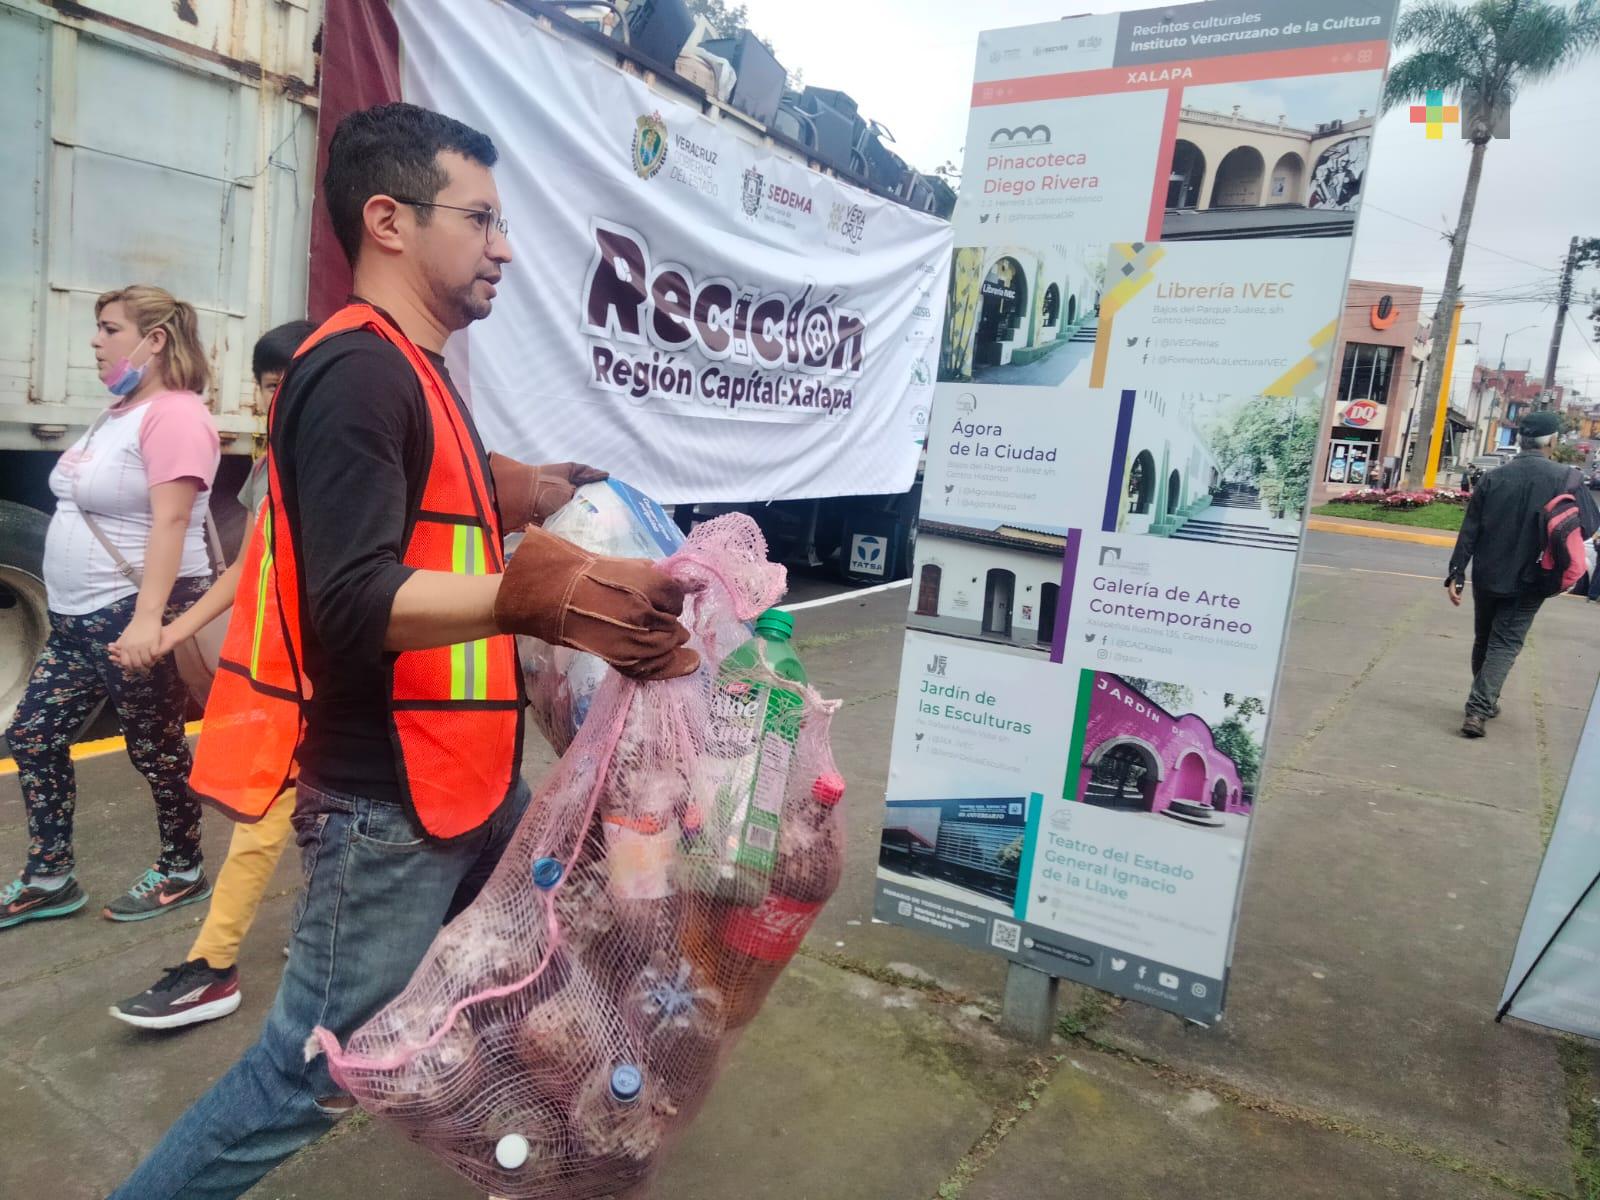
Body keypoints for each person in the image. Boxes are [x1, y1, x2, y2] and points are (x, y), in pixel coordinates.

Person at [110, 102, 696, 1199]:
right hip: (392, 810)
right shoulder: (355, 372)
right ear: (388, 220)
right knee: (307, 1075)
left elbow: (435, 488)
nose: (505, 246)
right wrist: (544, 597)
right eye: (480, 220)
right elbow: (349, 599)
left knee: (549, 969)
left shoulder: (418, 372)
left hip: (468, 788)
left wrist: (527, 489)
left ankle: (543, 1156)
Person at [108, 319, 312, 1029]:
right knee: (291, 815)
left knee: (287, 819)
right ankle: (251, 952)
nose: (275, 401)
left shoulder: (344, 463)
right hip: (284, 681)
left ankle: (215, 965)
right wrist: (175, 632)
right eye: (266, 389)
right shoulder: (276, 468)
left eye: (290, 386)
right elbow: (252, 568)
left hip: (329, 683)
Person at [2, 286, 221, 930]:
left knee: (154, 749)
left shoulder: (176, 415)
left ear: (154, 341)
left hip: (128, 612)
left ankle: (182, 869)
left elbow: (172, 522)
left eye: (108, 328)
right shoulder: (117, 411)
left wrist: (149, 618)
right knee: (33, 734)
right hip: (74, 620)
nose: (95, 342)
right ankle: (50, 876)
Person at [1446, 410, 1598, 738]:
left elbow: (1469, 528)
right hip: (1535, 575)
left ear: (1520, 439)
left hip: (1487, 573)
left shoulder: (1493, 477)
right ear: (1552, 440)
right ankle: (1478, 709)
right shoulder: (1567, 478)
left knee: (1485, 639)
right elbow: (1589, 523)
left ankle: (1483, 698)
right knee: (1505, 642)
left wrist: (1457, 572)